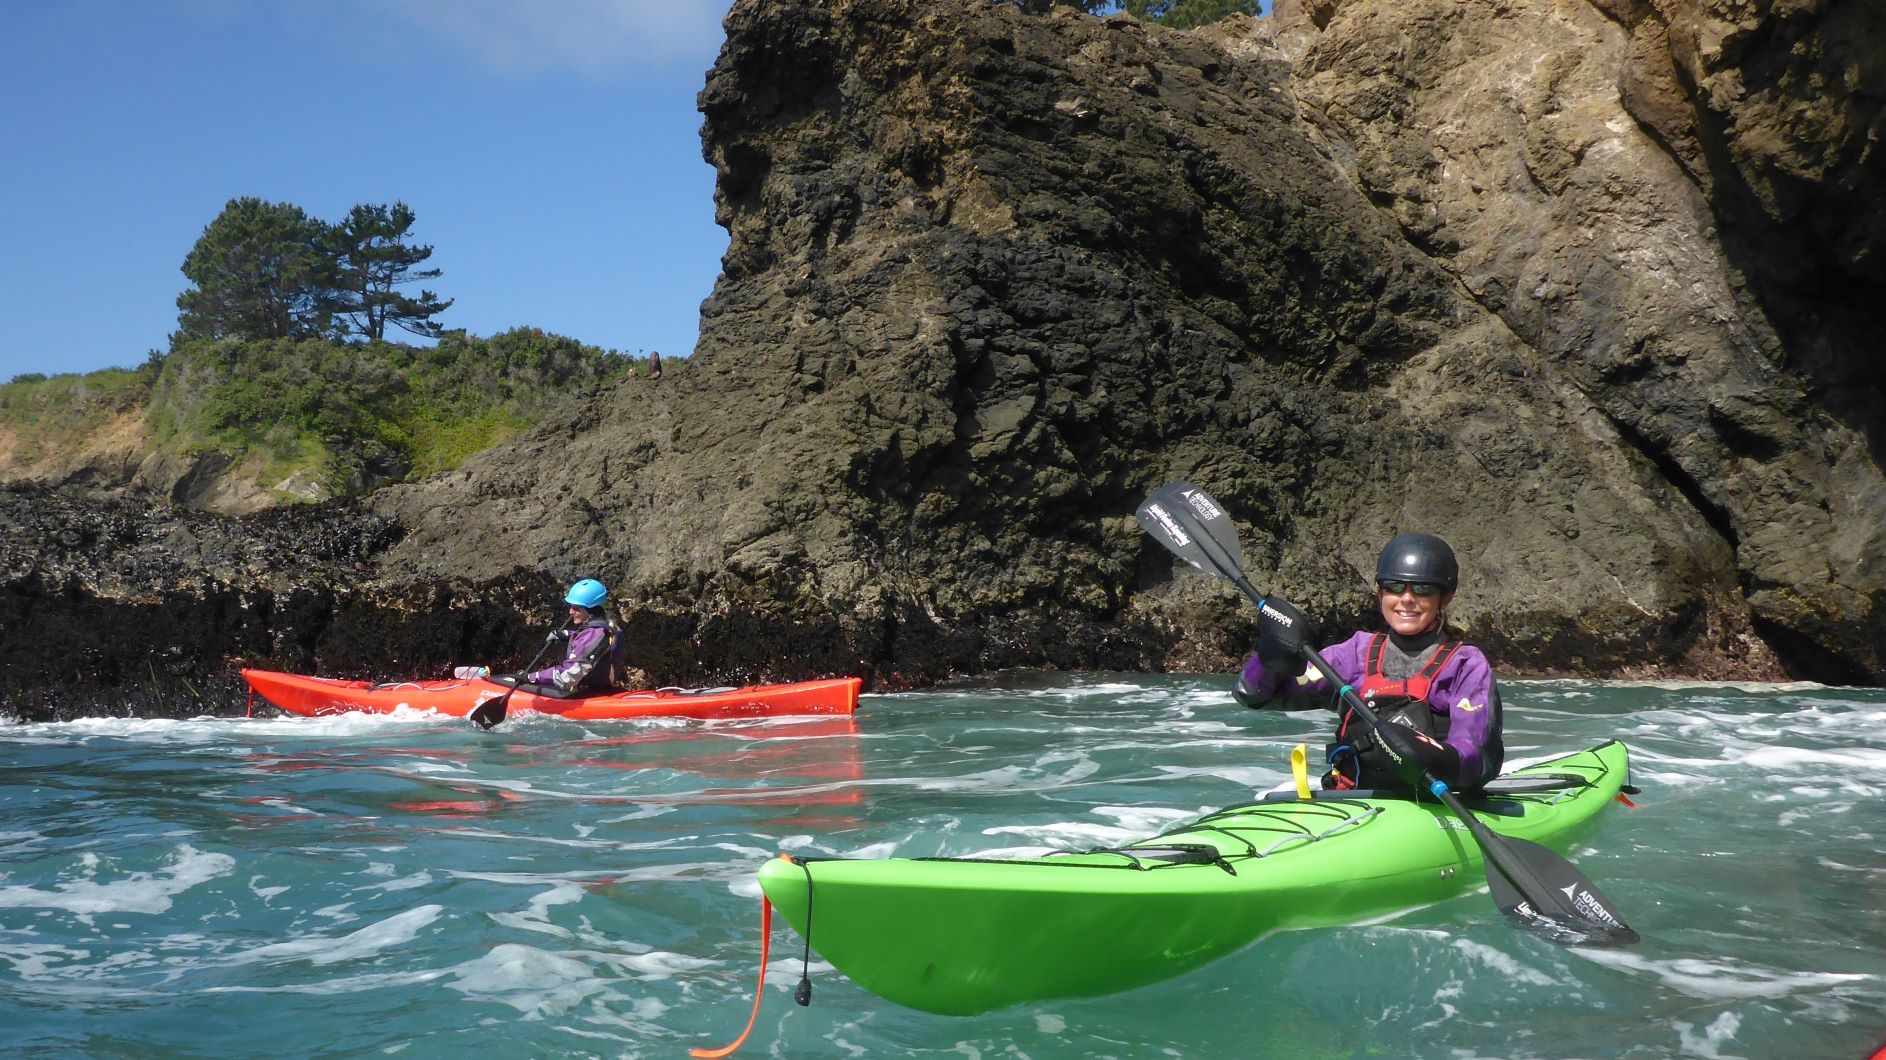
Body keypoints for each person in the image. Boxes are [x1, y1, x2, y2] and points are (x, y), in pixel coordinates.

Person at [1232, 532, 1504, 794]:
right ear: (1380, 592)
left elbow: (1474, 753)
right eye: (1394, 586)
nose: (1407, 598)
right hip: (1354, 799)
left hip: (1433, 800)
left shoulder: (1465, 664)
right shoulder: (1354, 654)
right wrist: (1269, 656)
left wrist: (1431, 756)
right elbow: (1253, 695)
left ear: (1444, 598)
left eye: (1423, 589)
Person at [485, 578, 625, 698]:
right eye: (571, 607)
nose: (570, 612)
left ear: (591, 610)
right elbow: (589, 642)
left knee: (525, 680)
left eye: (576, 608)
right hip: (594, 689)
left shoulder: (595, 634)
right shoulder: (605, 627)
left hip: (586, 694)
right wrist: (568, 635)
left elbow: (566, 677)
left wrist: (530, 677)